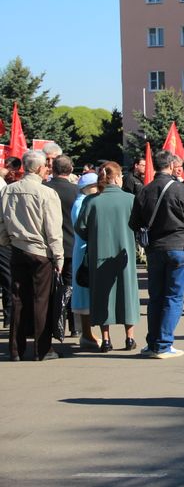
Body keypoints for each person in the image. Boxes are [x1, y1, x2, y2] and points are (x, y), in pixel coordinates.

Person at [129, 150, 184, 359]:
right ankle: (163, 344)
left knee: (156, 296)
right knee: (174, 296)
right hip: (179, 246)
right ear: (171, 166)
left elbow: (134, 223)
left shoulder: (145, 190)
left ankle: (153, 342)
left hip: (154, 248)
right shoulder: (180, 189)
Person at [0, 150, 64, 361]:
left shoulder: (8, 190)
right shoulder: (46, 193)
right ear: (38, 168)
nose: (47, 169)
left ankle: (16, 350)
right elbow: (53, 230)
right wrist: (58, 257)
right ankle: (42, 349)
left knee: (18, 299)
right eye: (45, 166)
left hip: (17, 249)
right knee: (41, 300)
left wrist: (6, 240)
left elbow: (1, 221)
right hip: (40, 252)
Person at [75, 162, 140, 352]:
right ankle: (129, 338)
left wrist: (94, 237)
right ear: (117, 177)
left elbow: (80, 228)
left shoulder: (91, 201)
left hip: (99, 253)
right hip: (124, 253)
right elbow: (139, 226)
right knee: (127, 292)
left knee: (102, 294)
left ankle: (106, 339)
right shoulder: (130, 199)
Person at [45, 155, 80, 336]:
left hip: (48, 246)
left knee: (49, 288)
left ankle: (52, 324)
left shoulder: (44, 188)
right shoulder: (77, 191)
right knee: (71, 286)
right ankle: (74, 326)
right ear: (71, 169)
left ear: (53, 169)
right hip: (72, 245)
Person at [71, 172, 101, 349]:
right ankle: (87, 334)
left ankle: (88, 333)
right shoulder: (82, 203)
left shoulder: (82, 201)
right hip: (84, 252)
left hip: (83, 251)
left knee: (85, 293)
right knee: (83, 294)